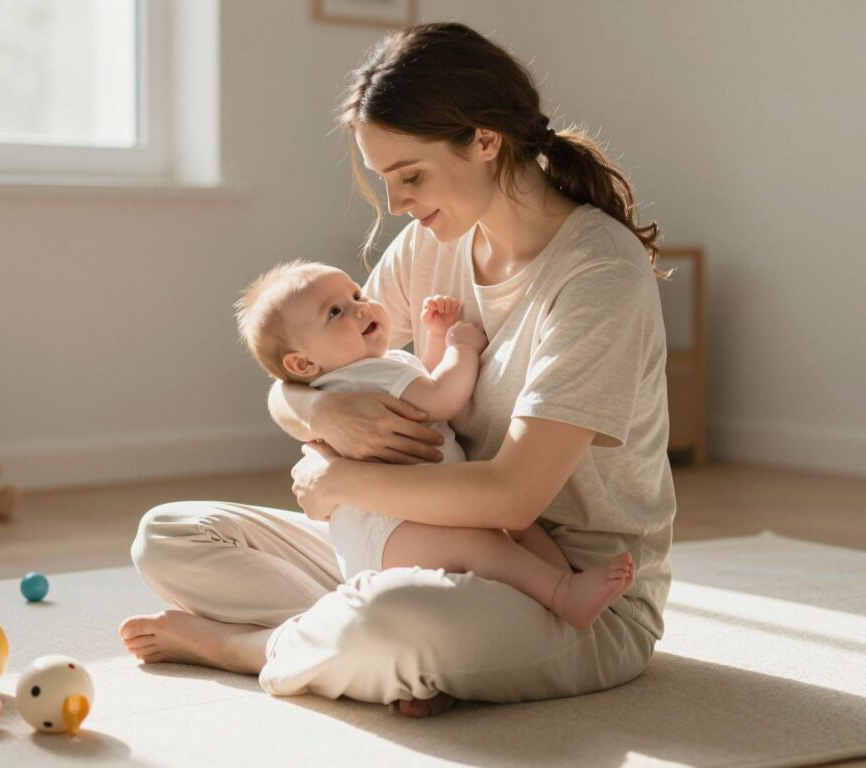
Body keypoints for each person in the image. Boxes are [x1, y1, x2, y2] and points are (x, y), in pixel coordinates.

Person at [120, 21, 675, 719]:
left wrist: (341, 479)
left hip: (565, 591)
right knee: (169, 534)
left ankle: (248, 647)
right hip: (415, 539)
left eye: (410, 176)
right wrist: (319, 412)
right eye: (387, 180)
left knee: (392, 621)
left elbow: (513, 499)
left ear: (485, 139)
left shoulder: (599, 276)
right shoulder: (433, 243)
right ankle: (377, 652)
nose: (396, 204)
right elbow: (308, 374)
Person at [233, 259, 635, 628]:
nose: (360, 308)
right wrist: (462, 347)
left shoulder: (365, 373)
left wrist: (437, 337)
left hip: (390, 533)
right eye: (335, 312)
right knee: (483, 541)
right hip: (397, 530)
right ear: (302, 364)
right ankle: (562, 594)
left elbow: (423, 382)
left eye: (357, 295)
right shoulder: (367, 377)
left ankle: (557, 595)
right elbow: (441, 397)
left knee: (507, 534)